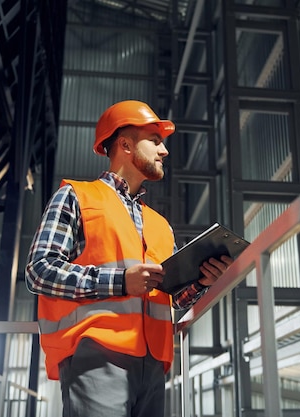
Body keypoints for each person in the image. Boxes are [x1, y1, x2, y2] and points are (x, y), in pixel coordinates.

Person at [25, 100, 233, 417]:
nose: (164, 152)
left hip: (153, 362)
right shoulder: (77, 196)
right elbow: (40, 271)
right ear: (125, 144)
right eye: (155, 141)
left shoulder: (160, 225)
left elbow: (170, 297)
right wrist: (121, 282)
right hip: (97, 353)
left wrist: (201, 281)